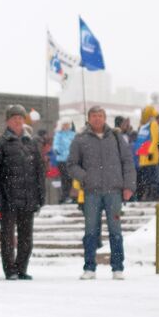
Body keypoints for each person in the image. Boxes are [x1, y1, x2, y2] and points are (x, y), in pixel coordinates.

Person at [65, 105, 136, 278]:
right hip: (91, 192)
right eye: (94, 116)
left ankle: (117, 267)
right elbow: (71, 165)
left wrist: (129, 186)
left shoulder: (117, 137)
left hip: (114, 192)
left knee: (115, 230)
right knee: (90, 231)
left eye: (100, 115)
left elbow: (127, 162)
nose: (97, 119)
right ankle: (89, 267)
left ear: (105, 118)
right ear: (89, 119)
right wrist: (85, 177)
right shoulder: (80, 139)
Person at [0, 104, 45, 280]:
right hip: (8, 199)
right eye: (14, 118)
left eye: (20, 118)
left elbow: (39, 171)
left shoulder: (31, 143)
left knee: (26, 237)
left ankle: (22, 268)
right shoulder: (0, 142)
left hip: (28, 199)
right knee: (7, 237)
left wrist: (40, 195)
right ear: (7, 121)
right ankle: (10, 269)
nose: (18, 121)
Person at [52, 121, 75, 203]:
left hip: (71, 159)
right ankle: (65, 196)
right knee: (65, 178)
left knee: (71, 178)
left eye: (68, 125)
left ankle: (68, 195)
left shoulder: (72, 134)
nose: (66, 126)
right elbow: (56, 144)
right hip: (62, 159)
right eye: (65, 125)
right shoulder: (59, 134)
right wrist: (57, 150)